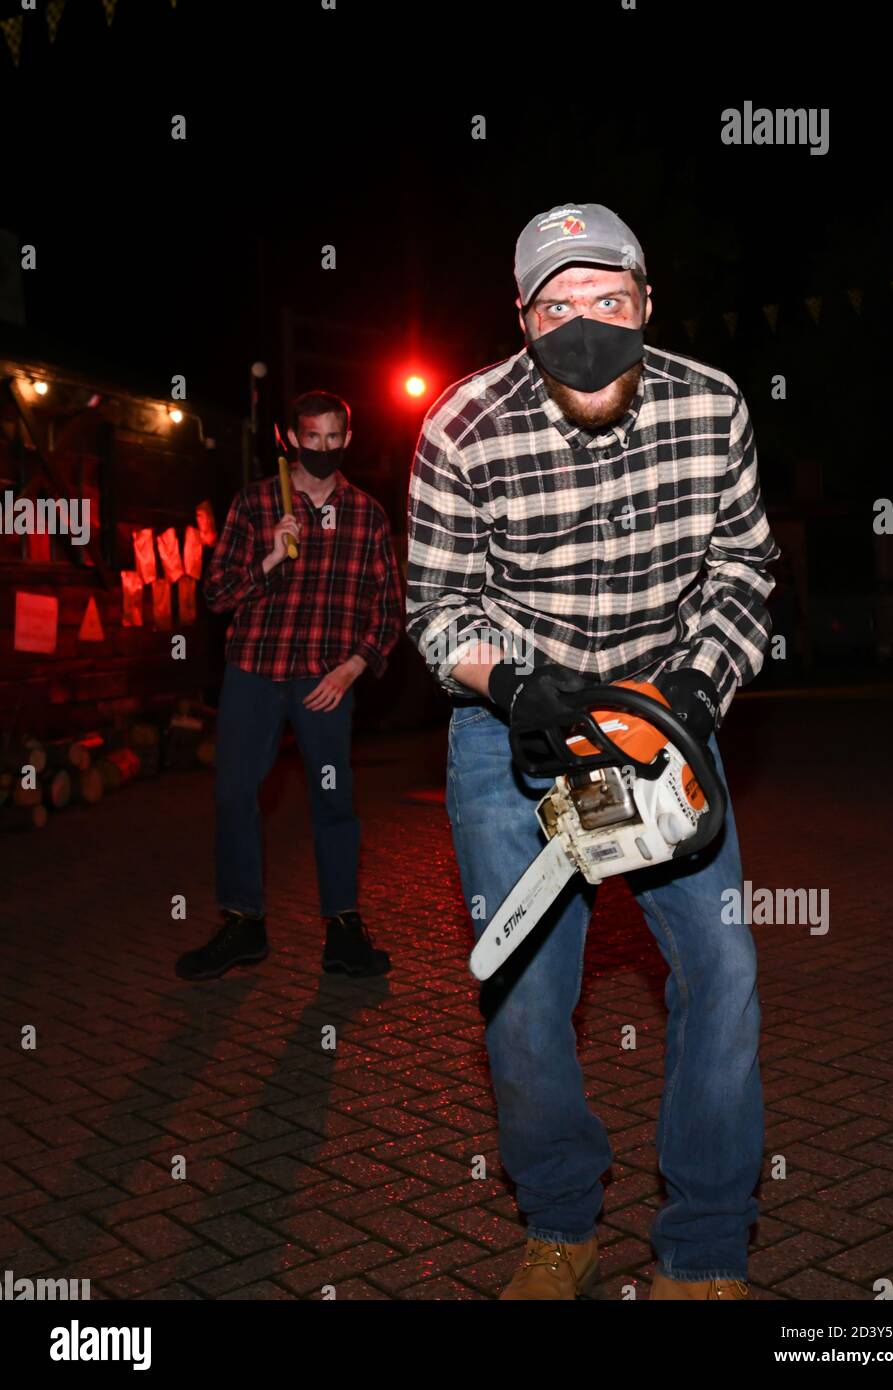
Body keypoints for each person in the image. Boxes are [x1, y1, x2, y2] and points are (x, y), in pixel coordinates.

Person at [406, 203, 781, 1300]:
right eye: (557, 306)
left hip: (664, 718)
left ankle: (705, 1242)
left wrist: (693, 696)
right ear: (521, 318)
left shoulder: (710, 405)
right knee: (522, 991)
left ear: (646, 301)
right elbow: (435, 605)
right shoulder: (460, 425)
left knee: (720, 973)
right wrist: (509, 682)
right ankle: (560, 1224)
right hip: (513, 731)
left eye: (606, 301)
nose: (585, 326)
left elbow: (742, 575)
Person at [177, 389, 402, 982]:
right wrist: (271, 558)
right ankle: (243, 923)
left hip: (324, 680)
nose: (323, 448)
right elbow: (217, 593)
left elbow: (388, 610)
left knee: (334, 802)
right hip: (254, 670)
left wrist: (352, 667)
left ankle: (344, 930)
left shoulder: (368, 513)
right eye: (312, 438)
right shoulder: (256, 503)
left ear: (346, 439)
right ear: (291, 439)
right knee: (234, 796)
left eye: (334, 438)